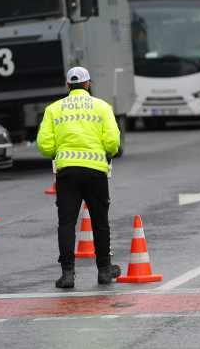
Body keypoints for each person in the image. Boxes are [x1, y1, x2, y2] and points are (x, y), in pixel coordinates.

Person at [37, 67, 122, 288]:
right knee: (100, 222)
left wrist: (59, 151)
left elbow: (44, 145)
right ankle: (104, 271)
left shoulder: (53, 109)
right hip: (95, 171)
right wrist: (104, 152)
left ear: (67, 86)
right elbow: (113, 141)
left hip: (66, 172)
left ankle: (67, 276)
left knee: (66, 223)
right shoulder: (102, 107)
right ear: (87, 84)